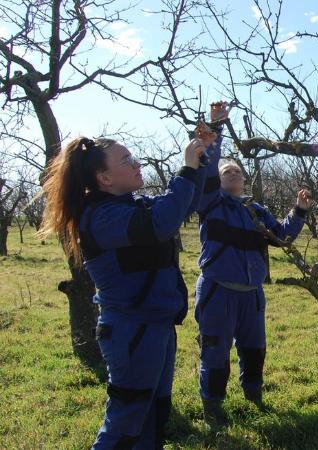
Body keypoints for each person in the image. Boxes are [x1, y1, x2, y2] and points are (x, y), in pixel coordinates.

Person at [39, 127, 215, 448]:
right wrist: (186, 168)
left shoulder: (134, 206)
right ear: (104, 178)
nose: (137, 163)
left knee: (154, 416)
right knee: (125, 424)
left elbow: (183, 203)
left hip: (157, 327)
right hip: (131, 332)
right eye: (126, 159)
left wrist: (202, 159)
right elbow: (160, 223)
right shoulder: (101, 217)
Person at [195, 101, 311, 429]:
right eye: (225, 171)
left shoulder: (257, 212)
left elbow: (282, 236)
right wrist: (216, 128)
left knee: (255, 348)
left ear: (244, 179)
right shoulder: (211, 205)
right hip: (218, 292)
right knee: (215, 352)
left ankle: (254, 393)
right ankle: (213, 406)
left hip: (251, 295)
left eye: (236, 171)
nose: (232, 172)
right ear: (218, 182)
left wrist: (298, 211)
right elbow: (206, 168)